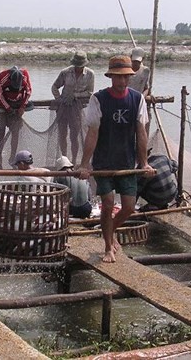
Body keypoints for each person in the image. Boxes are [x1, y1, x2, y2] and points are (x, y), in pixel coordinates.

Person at [79, 55, 155, 263]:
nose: (122, 82)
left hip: (126, 162)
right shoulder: (99, 99)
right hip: (104, 162)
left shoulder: (137, 99)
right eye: (118, 78)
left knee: (129, 206)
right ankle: (107, 247)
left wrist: (144, 163)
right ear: (111, 77)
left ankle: (109, 231)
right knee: (108, 202)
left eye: (126, 78)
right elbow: (92, 133)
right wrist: (85, 165)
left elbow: (141, 132)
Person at [51, 51, 95, 164]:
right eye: (76, 65)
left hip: (77, 109)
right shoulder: (65, 72)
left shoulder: (90, 74)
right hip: (63, 107)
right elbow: (55, 87)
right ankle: (64, 159)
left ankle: (74, 160)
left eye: (80, 65)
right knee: (62, 134)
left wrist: (75, 96)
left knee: (74, 136)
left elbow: (90, 93)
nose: (78, 68)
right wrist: (59, 99)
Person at [0, 66, 33, 168]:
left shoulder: (25, 75)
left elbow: (28, 92)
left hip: (17, 105)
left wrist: (22, 107)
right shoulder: (3, 76)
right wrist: (7, 108)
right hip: (3, 105)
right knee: (1, 129)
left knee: (15, 132)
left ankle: (12, 156)